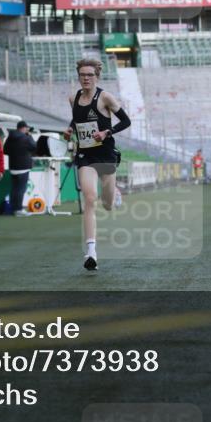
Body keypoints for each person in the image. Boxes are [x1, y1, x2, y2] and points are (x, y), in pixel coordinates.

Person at [65, 58, 131, 271]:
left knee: (108, 204)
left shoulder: (105, 97)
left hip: (106, 154)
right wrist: (69, 129)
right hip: (86, 156)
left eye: (90, 75)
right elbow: (77, 120)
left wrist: (106, 132)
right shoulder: (73, 98)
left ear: (96, 76)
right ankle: (91, 252)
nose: (85, 78)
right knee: (90, 198)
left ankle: (115, 193)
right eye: (82, 75)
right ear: (78, 76)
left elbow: (126, 121)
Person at [4, 120, 37, 216]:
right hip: (23, 166)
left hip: (13, 166)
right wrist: (30, 135)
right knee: (21, 189)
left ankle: (13, 209)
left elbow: (5, 150)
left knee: (14, 188)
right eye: (26, 128)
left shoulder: (10, 137)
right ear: (23, 128)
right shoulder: (25, 137)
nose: (27, 129)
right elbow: (34, 147)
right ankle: (18, 209)